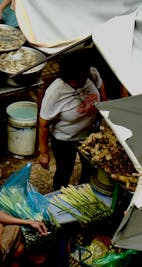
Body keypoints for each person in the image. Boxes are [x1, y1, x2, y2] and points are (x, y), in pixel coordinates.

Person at [37, 50, 108, 191]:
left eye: (83, 77)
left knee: (91, 167)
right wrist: (43, 153)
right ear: (66, 77)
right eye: (77, 80)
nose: (82, 82)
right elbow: (43, 125)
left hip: (89, 135)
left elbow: (101, 87)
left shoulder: (91, 74)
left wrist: (105, 107)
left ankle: (85, 190)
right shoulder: (55, 92)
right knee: (64, 170)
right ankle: (59, 194)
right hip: (64, 140)